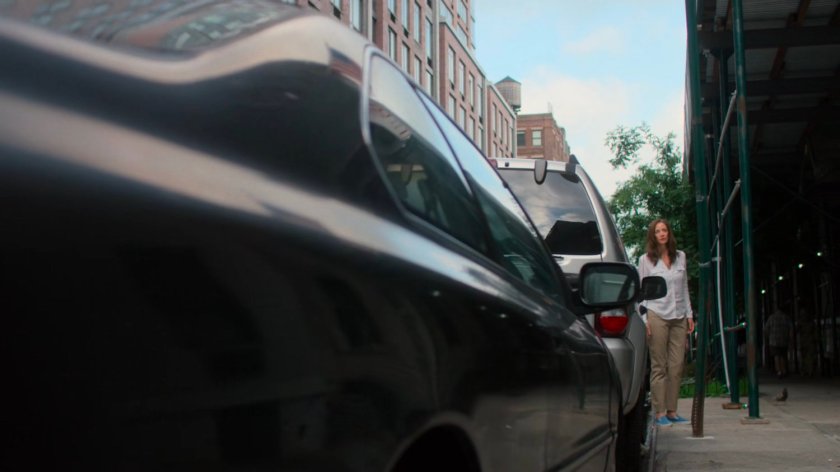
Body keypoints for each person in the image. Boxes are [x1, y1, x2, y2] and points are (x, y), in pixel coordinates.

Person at [637, 218, 695, 426]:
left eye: (664, 230)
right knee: (659, 365)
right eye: (657, 231)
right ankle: (659, 412)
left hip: (679, 315)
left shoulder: (680, 257)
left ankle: (672, 410)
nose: (661, 234)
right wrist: (645, 319)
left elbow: (684, 287)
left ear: (669, 233)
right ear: (652, 236)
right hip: (657, 314)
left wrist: (689, 314)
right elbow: (641, 293)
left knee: (677, 365)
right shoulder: (646, 260)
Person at [764, 305, 793, 378]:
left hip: (773, 340)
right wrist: (790, 338)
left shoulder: (771, 318)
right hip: (783, 339)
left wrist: (768, 337)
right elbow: (791, 328)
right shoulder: (786, 317)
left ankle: (779, 371)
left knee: (776, 356)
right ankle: (784, 370)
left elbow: (766, 329)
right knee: (783, 356)